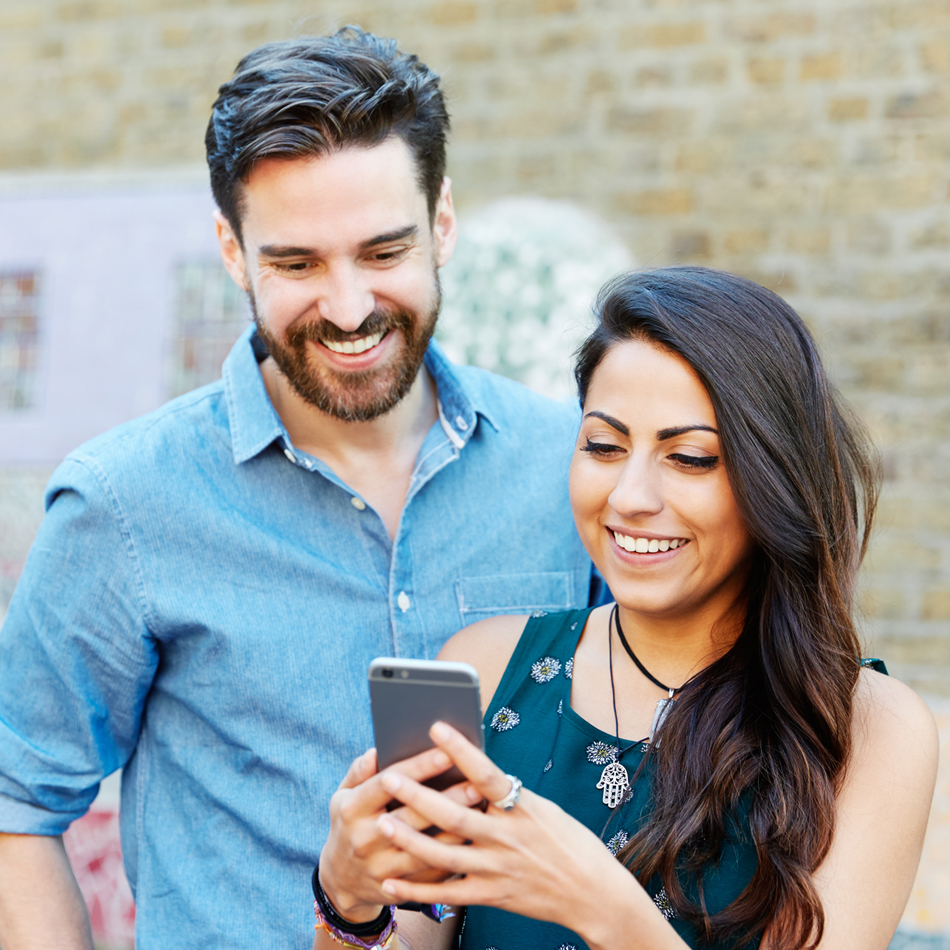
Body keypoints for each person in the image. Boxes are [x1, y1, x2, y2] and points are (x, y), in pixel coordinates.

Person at [0, 28, 601, 949]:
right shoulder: (122, 504)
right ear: (232, 252)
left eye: (383, 252)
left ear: (442, 222)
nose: (350, 308)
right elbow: (16, 804)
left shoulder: (570, 466)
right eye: (297, 264)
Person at [315, 266, 939, 950]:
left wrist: (600, 901)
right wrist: (349, 903)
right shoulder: (487, 666)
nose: (630, 497)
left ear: (775, 477)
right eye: (604, 446)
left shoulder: (867, 729)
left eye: (690, 457)